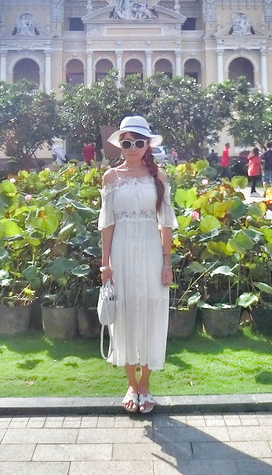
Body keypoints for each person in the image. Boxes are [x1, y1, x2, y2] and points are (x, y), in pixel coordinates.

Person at [98, 115, 177, 414]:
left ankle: (146, 383)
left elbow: (166, 223)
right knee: (126, 312)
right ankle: (131, 383)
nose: (133, 148)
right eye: (128, 142)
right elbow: (107, 224)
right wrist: (105, 264)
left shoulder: (159, 177)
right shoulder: (111, 178)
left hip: (150, 250)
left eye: (139, 142)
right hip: (121, 251)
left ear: (147, 145)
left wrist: (166, 262)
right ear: (121, 145)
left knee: (151, 309)